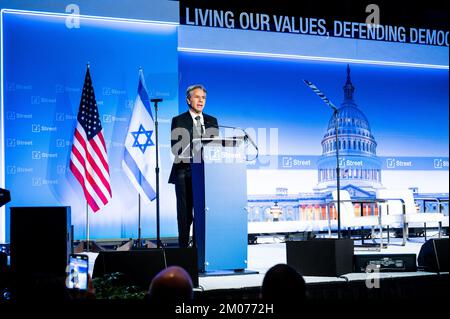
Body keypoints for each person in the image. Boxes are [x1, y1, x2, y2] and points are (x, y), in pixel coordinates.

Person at [169, 84, 218, 248]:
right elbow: (177, 147)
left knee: (203, 213)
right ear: (188, 100)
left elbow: (216, 148)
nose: (201, 100)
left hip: (207, 174)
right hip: (184, 173)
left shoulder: (212, 121)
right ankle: (183, 249)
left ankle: (200, 248)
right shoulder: (179, 120)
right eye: (197, 97)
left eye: (203, 98)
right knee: (185, 214)